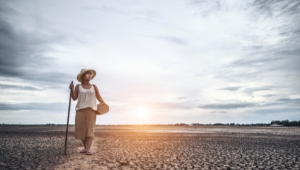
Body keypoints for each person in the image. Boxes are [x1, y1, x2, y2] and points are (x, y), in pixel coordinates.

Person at [69, 68, 106, 155]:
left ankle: (88, 149)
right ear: (82, 76)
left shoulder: (94, 87)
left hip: (92, 111)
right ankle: (85, 148)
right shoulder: (78, 86)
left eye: (90, 74)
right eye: (87, 74)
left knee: (90, 130)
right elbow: (74, 98)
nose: (89, 75)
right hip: (80, 111)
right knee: (82, 130)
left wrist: (104, 104)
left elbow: (99, 97)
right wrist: (72, 89)